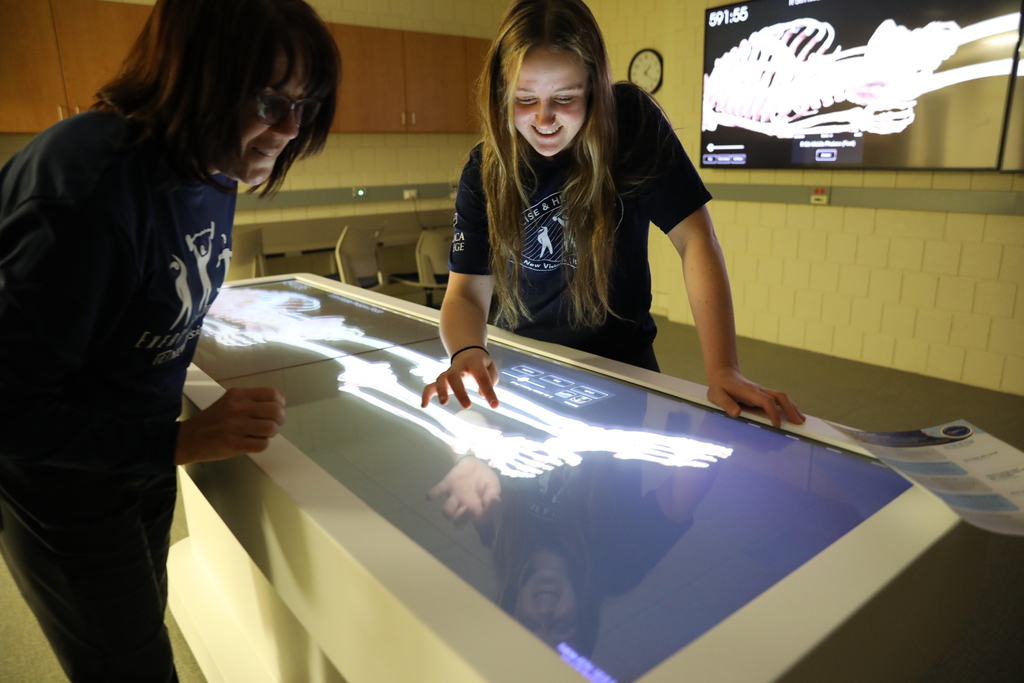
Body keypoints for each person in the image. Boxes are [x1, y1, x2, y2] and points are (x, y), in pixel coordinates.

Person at [0, 0, 338, 680]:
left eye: (305, 105)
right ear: (197, 76)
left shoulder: (214, 168)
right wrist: (178, 443)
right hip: (64, 487)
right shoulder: (85, 187)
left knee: (141, 624)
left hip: (141, 460)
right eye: (270, 101)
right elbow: (9, 409)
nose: (289, 129)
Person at [421, 0, 804, 429]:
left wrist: (723, 369)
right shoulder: (485, 169)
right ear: (500, 94)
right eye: (525, 99)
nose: (544, 119)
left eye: (565, 98)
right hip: (526, 363)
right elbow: (466, 293)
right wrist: (468, 351)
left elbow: (695, 238)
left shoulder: (630, 125)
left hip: (624, 366)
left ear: (595, 88)